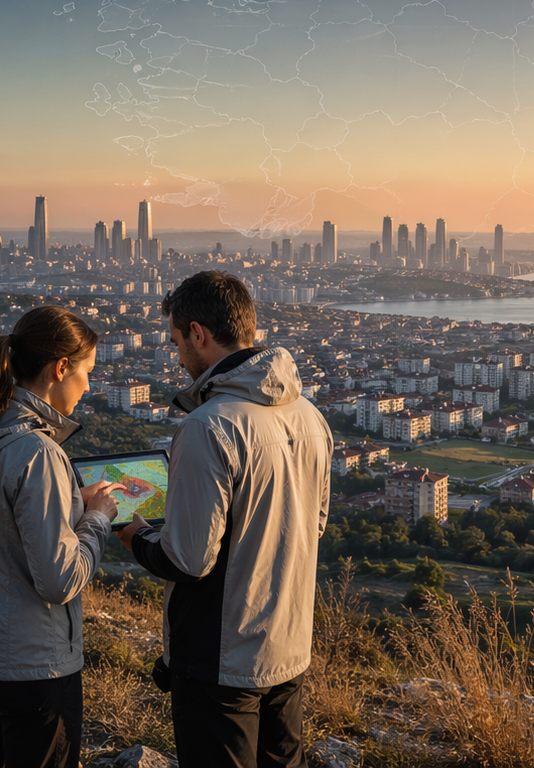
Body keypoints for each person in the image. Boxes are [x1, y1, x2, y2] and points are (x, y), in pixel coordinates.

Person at [117, 271, 332, 768]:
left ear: (198, 333)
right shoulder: (309, 415)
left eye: (176, 342)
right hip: (289, 644)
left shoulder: (208, 426)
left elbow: (188, 559)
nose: (177, 358)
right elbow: (312, 525)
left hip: (222, 657)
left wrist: (138, 537)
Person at [0, 305, 125, 768]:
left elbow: (0, 519)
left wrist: (70, 499)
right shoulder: (36, 452)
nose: (89, 386)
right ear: (60, 368)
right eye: (86, 372)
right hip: (33, 665)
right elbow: (60, 579)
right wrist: (98, 518)